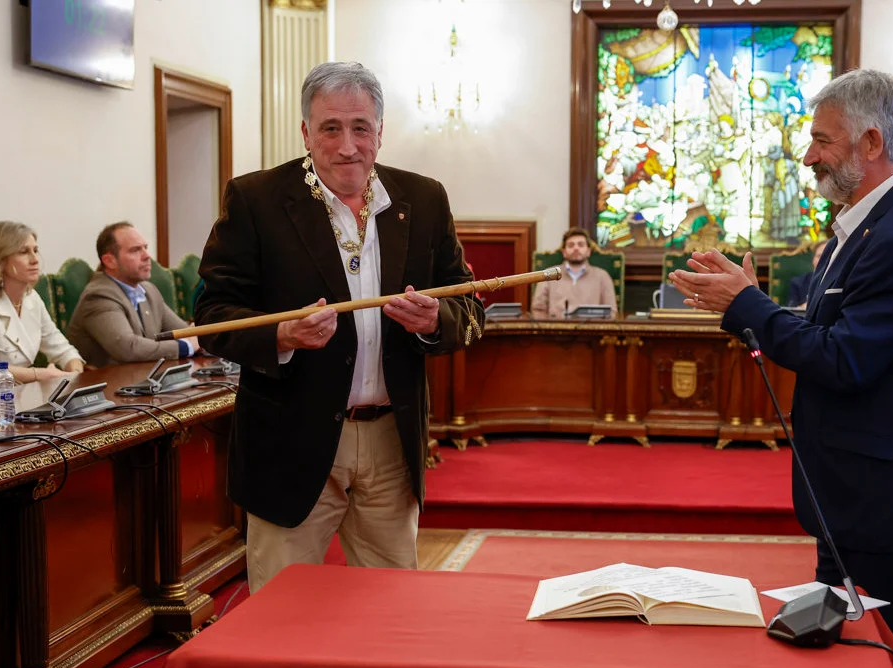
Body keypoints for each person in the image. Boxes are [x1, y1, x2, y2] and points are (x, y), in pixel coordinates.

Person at [667, 69, 893, 668]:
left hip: (889, 502)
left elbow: (845, 359)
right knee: (850, 663)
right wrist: (744, 308)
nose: (808, 156)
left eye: (821, 140)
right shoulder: (859, 227)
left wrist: (750, 305)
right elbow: (831, 331)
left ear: (869, 142)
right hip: (854, 496)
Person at [194, 61, 484, 594]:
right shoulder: (256, 200)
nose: (347, 145)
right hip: (291, 439)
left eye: (360, 128)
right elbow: (212, 317)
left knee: (392, 613)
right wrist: (282, 336)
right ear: (306, 132)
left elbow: (468, 312)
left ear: (380, 131)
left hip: (391, 441)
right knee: (282, 617)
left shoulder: (423, 199)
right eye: (331, 128)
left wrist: (433, 321)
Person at [0, 221, 85, 382]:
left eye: (35, 250)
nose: (35, 260)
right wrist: (40, 375)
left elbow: (64, 350)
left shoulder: (32, 298)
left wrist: (73, 374)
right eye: (24, 252)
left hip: (23, 394)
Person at [66, 222, 199, 367]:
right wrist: (186, 347)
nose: (147, 256)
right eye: (135, 250)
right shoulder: (98, 295)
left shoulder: (149, 290)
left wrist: (199, 338)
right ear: (109, 261)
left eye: (145, 248)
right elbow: (128, 348)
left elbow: (183, 332)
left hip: (143, 381)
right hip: (107, 385)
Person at [530, 227, 618, 318]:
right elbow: (538, 310)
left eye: (580, 245)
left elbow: (611, 312)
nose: (576, 248)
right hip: (556, 330)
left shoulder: (602, 276)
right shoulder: (549, 275)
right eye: (571, 245)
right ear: (564, 252)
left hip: (591, 330)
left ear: (588, 251)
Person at [785, 238, 831, 308]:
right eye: (819, 256)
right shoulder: (797, 283)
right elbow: (791, 310)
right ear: (813, 260)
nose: (823, 260)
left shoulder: (843, 282)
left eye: (828, 256)